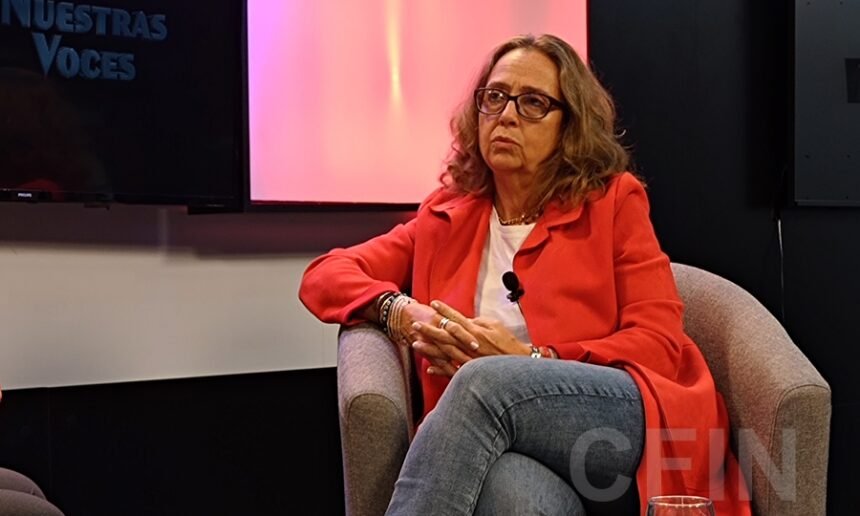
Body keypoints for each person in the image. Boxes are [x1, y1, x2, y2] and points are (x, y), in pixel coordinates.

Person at [300, 34, 750, 515]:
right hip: (496, 435)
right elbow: (326, 275)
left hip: (622, 418)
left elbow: (658, 343)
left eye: (533, 102)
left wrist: (535, 358)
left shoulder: (613, 202)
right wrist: (404, 314)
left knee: (483, 382)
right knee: (509, 491)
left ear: (570, 125)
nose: (507, 115)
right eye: (495, 97)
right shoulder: (446, 218)